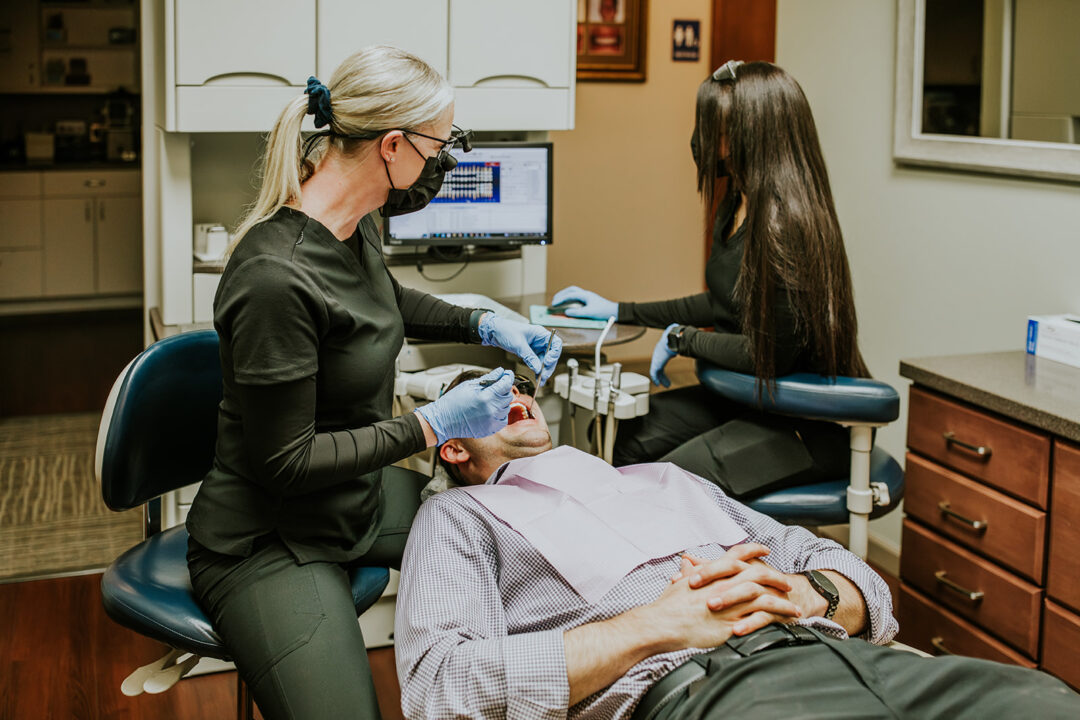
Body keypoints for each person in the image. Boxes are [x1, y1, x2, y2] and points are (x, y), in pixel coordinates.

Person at [183, 46, 563, 720]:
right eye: (440, 147)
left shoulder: (355, 224)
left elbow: (383, 302)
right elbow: (285, 463)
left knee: (525, 552)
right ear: (393, 146)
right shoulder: (275, 277)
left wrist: (483, 320)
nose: (444, 163)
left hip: (351, 499)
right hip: (269, 538)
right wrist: (437, 423)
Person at [396, 373, 1080, 720]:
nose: (509, 393)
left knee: (1044, 701)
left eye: (513, 386)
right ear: (453, 444)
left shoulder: (660, 478)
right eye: (480, 397)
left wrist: (819, 595)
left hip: (844, 656)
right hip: (712, 692)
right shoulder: (460, 517)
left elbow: (850, 576)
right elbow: (439, 689)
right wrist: (653, 627)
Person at [552, 60, 868, 500]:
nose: (699, 141)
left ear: (752, 133)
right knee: (625, 436)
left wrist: (684, 340)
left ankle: (710, 565)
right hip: (745, 402)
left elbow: (770, 354)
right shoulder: (737, 201)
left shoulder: (787, 226)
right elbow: (723, 303)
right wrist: (620, 310)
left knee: (669, 484)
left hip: (802, 427)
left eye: (712, 128)